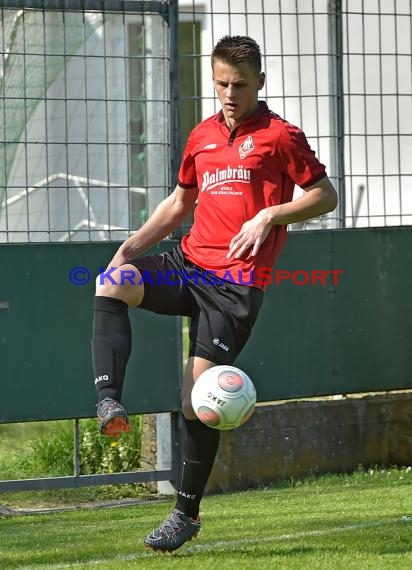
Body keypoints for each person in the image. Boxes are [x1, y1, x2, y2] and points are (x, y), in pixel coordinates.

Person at [91, 35, 338, 552]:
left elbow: (324, 195)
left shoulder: (280, 137)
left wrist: (270, 214)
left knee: (196, 399)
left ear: (260, 84)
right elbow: (181, 201)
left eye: (240, 85)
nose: (230, 93)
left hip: (235, 286)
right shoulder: (201, 136)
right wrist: (130, 247)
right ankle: (109, 400)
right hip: (188, 261)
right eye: (222, 83)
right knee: (112, 283)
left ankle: (186, 513)